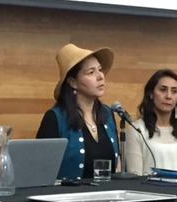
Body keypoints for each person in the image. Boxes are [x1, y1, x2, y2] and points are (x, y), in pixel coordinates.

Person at [36, 43, 120, 180]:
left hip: (107, 196)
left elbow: (117, 165)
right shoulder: (55, 118)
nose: (100, 76)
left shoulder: (107, 114)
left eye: (100, 70)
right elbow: (41, 170)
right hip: (67, 198)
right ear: (73, 82)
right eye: (91, 72)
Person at [124, 69, 177, 175]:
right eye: (163, 90)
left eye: (174, 91)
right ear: (151, 94)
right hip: (151, 190)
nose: (169, 96)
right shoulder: (136, 129)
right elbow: (135, 175)